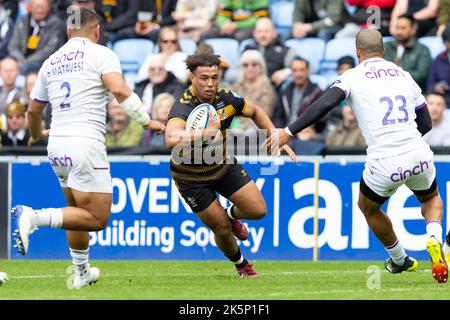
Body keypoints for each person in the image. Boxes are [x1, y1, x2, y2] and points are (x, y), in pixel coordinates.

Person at [266, 28, 448, 284]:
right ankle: (432, 236)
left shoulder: (351, 76)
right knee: (431, 200)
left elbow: (326, 103)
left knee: (368, 207)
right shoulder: (404, 75)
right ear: (384, 51)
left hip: (384, 160)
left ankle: (398, 259)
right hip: (418, 152)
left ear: (358, 53)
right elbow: (426, 122)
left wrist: (289, 131)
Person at [11, 8, 165, 288]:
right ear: (97, 31)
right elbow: (119, 90)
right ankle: (33, 216)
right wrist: (145, 121)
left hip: (57, 146)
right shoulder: (101, 54)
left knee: (76, 211)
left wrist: (35, 135)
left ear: (68, 32)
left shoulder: (51, 61)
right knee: (95, 218)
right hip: (85, 144)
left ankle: (81, 271)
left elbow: (33, 112)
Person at [165, 53, 297, 277]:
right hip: (191, 178)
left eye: (215, 78)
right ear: (192, 78)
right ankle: (241, 264)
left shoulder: (226, 99)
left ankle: (230, 215)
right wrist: (204, 133)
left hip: (223, 166)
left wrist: (274, 135)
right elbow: (170, 139)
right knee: (221, 229)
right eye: (204, 78)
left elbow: (255, 111)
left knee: (257, 210)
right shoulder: (183, 106)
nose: (210, 83)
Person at [7, 0, 66, 75]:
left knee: (24, 69)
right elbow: (13, 45)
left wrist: (26, 62)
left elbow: (50, 50)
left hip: (42, 63)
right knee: (7, 66)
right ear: (30, 7)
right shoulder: (22, 20)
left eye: (42, 7)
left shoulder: (56, 24)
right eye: (36, 7)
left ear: (49, 7)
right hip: (19, 61)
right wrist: (20, 59)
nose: (39, 10)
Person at [384, 14, 432, 91]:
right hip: (387, 89)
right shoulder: (386, 47)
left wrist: (396, 72)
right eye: (397, 28)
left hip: (412, 92)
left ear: (413, 29)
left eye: (403, 28)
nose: (399, 31)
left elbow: (421, 76)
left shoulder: (422, 50)